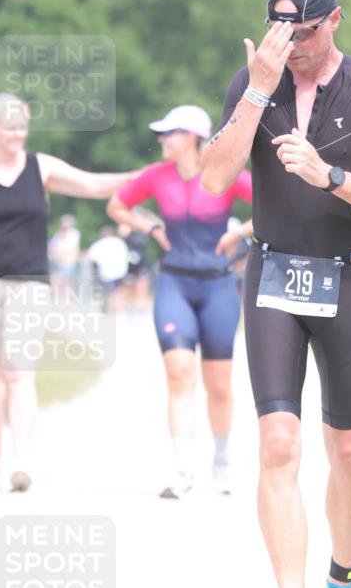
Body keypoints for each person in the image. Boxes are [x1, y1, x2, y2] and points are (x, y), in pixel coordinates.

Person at [201, 0, 351, 588]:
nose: (291, 45)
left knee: (347, 449)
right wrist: (256, 90)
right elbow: (213, 178)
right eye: (280, 31)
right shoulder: (253, 82)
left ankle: (341, 578)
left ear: (335, 21)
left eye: (305, 32)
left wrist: (332, 177)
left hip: (350, 279)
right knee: (277, 443)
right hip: (273, 276)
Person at [0, 93, 133, 492]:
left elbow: (92, 184)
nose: (17, 133)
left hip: (28, 282)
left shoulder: (41, 167)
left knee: (20, 373)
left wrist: (140, 178)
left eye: (22, 126)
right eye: (10, 127)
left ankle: (20, 462)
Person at [107, 105, 253, 497]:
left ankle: (221, 460)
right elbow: (116, 206)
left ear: (190, 137)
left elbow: (276, 204)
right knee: (178, 373)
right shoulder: (156, 176)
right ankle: (184, 469)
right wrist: (151, 226)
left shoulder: (223, 175)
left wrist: (239, 233)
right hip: (174, 283)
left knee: (218, 385)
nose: (161, 139)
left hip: (218, 286)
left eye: (169, 133)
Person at [86, 225, 129, 313]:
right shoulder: (119, 242)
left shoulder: (99, 244)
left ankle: (111, 308)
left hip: (106, 272)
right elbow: (126, 256)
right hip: (120, 271)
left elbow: (90, 257)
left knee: (110, 291)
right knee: (117, 290)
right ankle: (117, 308)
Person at [48, 214, 81, 293]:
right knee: (61, 282)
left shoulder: (74, 234)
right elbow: (52, 246)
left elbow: (72, 249)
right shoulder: (59, 234)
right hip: (58, 262)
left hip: (68, 262)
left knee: (59, 281)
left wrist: (58, 253)